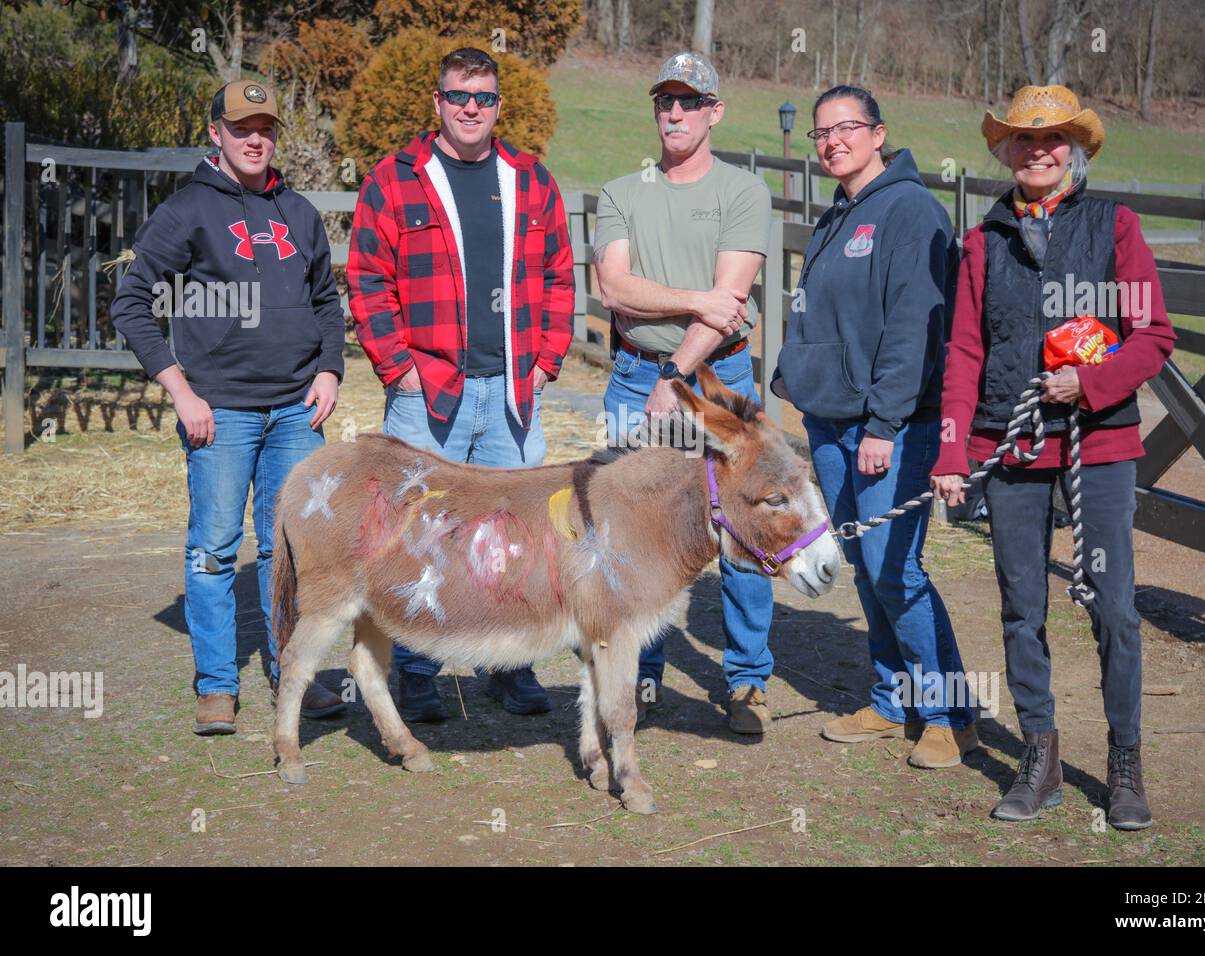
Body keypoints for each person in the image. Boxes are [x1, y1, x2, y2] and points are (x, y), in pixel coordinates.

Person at [930, 86, 1176, 829]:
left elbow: (1153, 334)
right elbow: (965, 350)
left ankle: (1125, 761)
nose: (1038, 151)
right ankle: (1039, 757)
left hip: (1095, 442)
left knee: (1113, 606)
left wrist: (1088, 382)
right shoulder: (982, 241)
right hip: (1012, 442)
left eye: (1053, 139)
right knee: (1019, 606)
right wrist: (951, 451)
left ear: (1075, 148)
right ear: (1005, 151)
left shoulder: (1115, 226)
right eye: (1023, 140)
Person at [111, 80, 347, 735]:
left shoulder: (297, 211)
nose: (255, 138)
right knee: (214, 551)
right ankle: (216, 687)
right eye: (241, 127)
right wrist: (181, 391)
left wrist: (330, 370)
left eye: (265, 127)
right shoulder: (187, 210)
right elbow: (131, 303)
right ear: (215, 132)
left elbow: (326, 301)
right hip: (222, 414)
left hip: (299, 414)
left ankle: (291, 676)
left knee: (290, 551)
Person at [348, 47, 575, 721]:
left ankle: (508, 665)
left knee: (510, 539)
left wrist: (545, 361)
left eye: (483, 97)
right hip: (428, 393)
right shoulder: (395, 180)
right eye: (458, 96)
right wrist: (402, 369)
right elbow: (367, 280)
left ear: (499, 105)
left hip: (510, 396)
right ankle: (417, 670)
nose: (470, 108)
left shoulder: (530, 180)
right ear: (438, 103)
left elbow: (562, 277)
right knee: (420, 535)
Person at [772, 87, 976, 768]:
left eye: (846, 128)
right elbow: (815, 314)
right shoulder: (840, 212)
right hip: (830, 426)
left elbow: (916, 328)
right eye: (821, 133)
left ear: (878, 133)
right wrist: (790, 380)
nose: (832, 141)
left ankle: (950, 712)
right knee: (865, 567)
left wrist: (887, 424)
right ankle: (892, 703)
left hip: (889, 428)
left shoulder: (911, 211)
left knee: (897, 569)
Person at [594, 51, 776, 735]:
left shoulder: (742, 192)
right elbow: (615, 290)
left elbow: (731, 306)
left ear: (714, 112)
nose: (674, 113)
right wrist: (697, 300)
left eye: (689, 102)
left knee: (743, 528)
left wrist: (678, 375)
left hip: (717, 381)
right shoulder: (622, 191)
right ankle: (641, 678)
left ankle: (748, 681)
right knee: (639, 531)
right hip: (636, 374)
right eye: (664, 101)